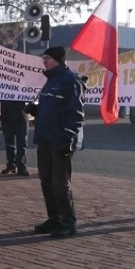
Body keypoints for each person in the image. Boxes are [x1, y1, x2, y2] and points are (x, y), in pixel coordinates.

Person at [28, 47, 85, 238]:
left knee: (60, 184)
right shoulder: (50, 80)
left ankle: (68, 223)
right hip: (45, 138)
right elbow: (52, 109)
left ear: (58, 60)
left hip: (60, 141)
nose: (44, 61)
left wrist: (68, 137)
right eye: (43, 57)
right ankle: (54, 219)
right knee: (46, 182)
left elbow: (75, 112)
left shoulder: (71, 81)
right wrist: (36, 110)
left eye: (48, 58)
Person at [0, 99, 31, 176]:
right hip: (6, 117)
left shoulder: (23, 86)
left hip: (21, 118)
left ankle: (22, 167)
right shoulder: (2, 87)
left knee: (22, 145)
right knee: (9, 144)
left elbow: (31, 98)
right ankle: (11, 165)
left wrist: (28, 109)